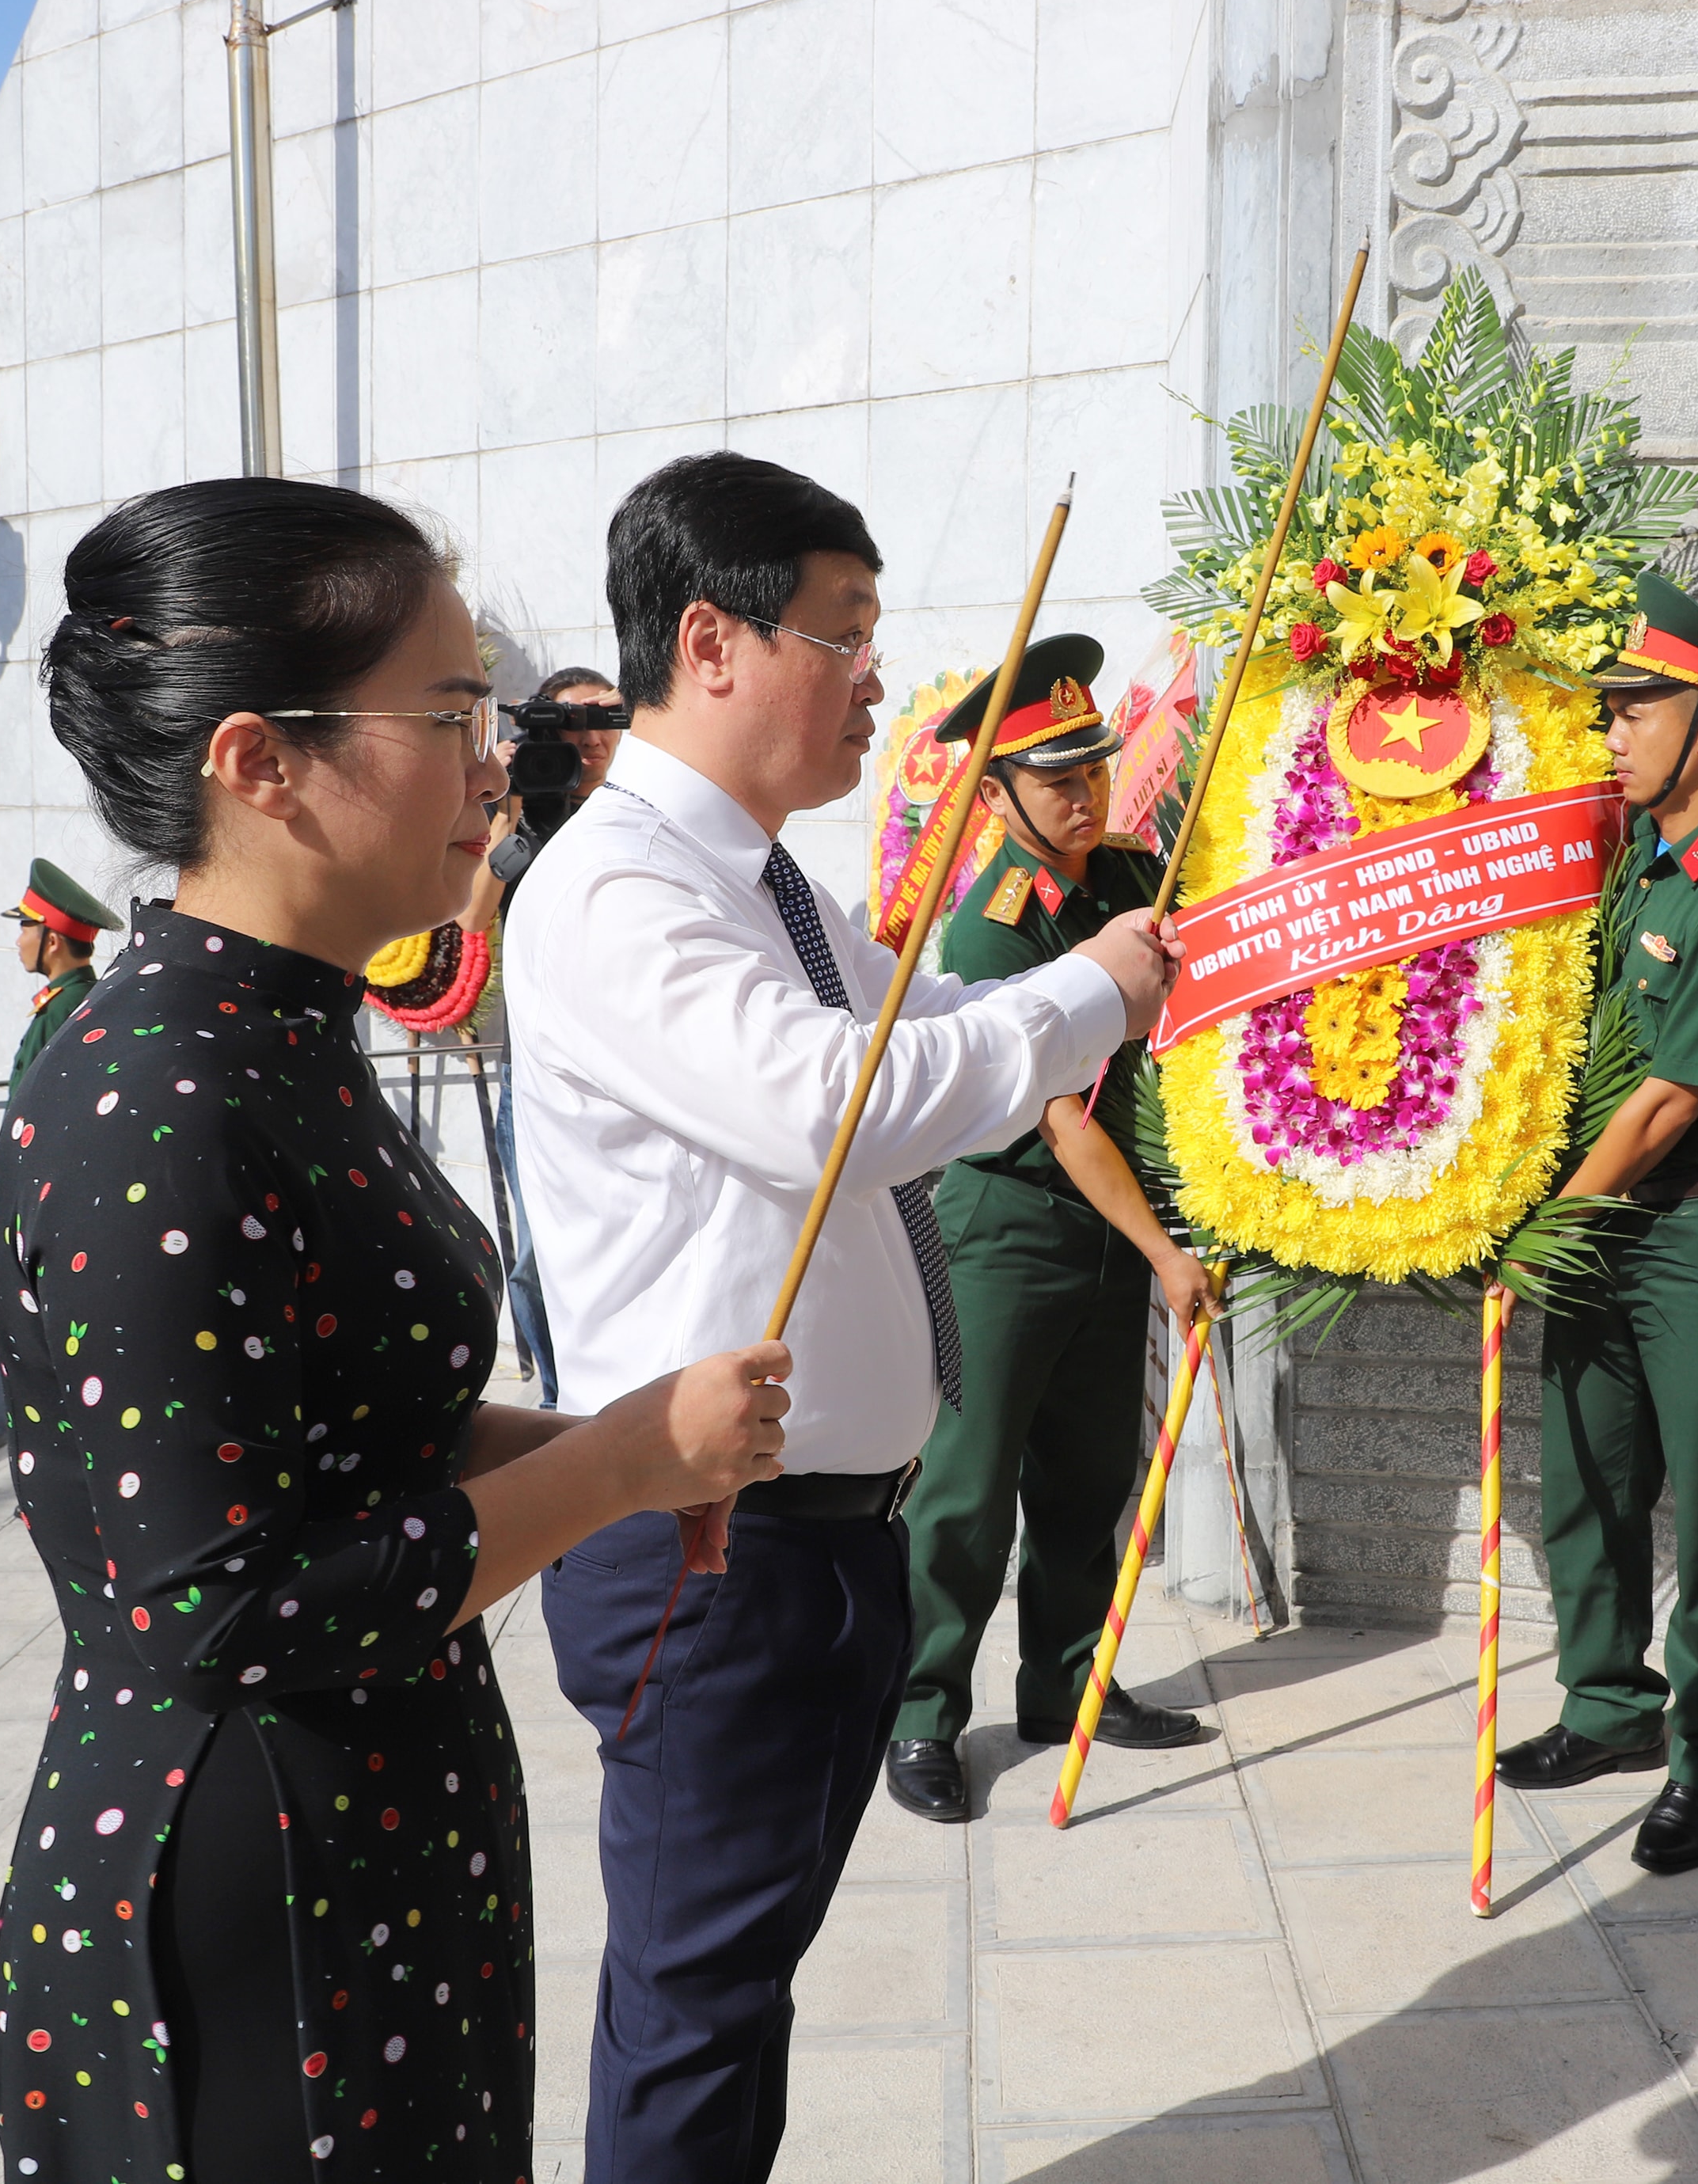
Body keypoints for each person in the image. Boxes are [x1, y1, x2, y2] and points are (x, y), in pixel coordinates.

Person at [0, 477, 793, 2184]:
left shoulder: (283, 1026)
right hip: (245, 1875)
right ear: (257, 761)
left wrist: (610, 1450)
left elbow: (357, 1431)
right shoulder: (161, 1096)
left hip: (373, 1821)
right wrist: (626, 1458)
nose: (497, 765)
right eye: (447, 715)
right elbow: (228, 1600)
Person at [503, 454, 1179, 2183]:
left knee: (741, 1993)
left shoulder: (772, 883)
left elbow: (933, 1025)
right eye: (848, 633)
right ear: (715, 640)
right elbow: (843, 1105)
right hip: (707, 1548)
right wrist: (1085, 993)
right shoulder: (617, 888)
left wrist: (1116, 978)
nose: (880, 679)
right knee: (692, 2005)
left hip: (822, 1543)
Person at [1491, 569, 1698, 1876]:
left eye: (1637, 711)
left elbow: (1672, 1099)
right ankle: (1607, 1708)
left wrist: (1545, 1236)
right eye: (1610, 710)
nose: (1612, 732)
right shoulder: (1636, 866)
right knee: (1586, 1479)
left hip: (1694, 1239)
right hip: (1603, 1228)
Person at [883, 635, 1213, 1825]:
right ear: (996, 794)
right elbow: (1064, 1117)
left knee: (1087, 1475)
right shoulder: (993, 928)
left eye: (1096, 770)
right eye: (1058, 780)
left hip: (1106, 1224)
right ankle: (921, 1712)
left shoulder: (1128, 881)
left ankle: (1065, 1683)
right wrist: (1169, 1252)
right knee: (968, 1489)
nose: (1086, 797)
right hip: (1010, 1224)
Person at [483, 664, 625, 1406]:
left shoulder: (640, 819)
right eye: (568, 725)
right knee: (536, 1253)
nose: (588, 740)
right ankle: (556, 1398)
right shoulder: (521, 811)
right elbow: (470, 918)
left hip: (624, 1064)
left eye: (603, 721)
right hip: (533, 1070)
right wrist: (507, 807)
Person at [2, 856, 120, 1092]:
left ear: (52, 942)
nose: (18, 941)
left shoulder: (58, 1010)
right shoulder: (94, 993)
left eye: (24, 931)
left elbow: (27, 1099)